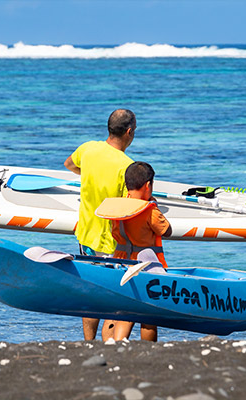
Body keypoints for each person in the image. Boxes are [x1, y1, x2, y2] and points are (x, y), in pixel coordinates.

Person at [64, 109, 135, 340]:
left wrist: (89, 176)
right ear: (129, 131)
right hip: (111, 241)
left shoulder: (88, 149)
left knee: (90, 290)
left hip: (86, 235)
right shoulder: (127, 166)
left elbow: (69, 165)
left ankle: (88, 342)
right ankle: (110, 341)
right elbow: (130, 206)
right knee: (114, 293)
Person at [111, 161, 172, 342]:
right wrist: (156, 208)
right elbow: (166, 231)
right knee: (149, 317)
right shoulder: (149, 211)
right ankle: (149, 350)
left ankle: (118, 345)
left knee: (126, 312)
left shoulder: (117, 207)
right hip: (147, 267)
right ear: (148, 185)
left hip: (122, 264)